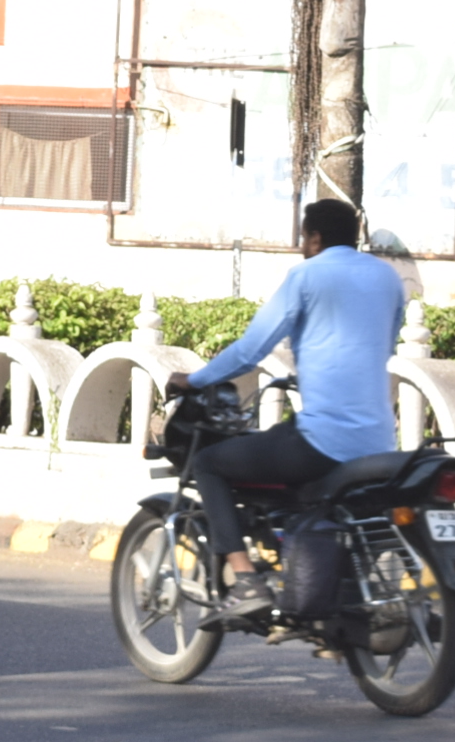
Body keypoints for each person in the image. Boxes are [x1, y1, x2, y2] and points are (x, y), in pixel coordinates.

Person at [162, 199, 404, 617]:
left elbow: (251, 349)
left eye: (304, 238)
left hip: (323, 442)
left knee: (209, 464)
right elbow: (381, 344)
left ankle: (248, 581)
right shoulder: (387, 277)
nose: (302, 246)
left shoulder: (307, 276)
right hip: (380, 442)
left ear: (314, 238)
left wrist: (194, 379)